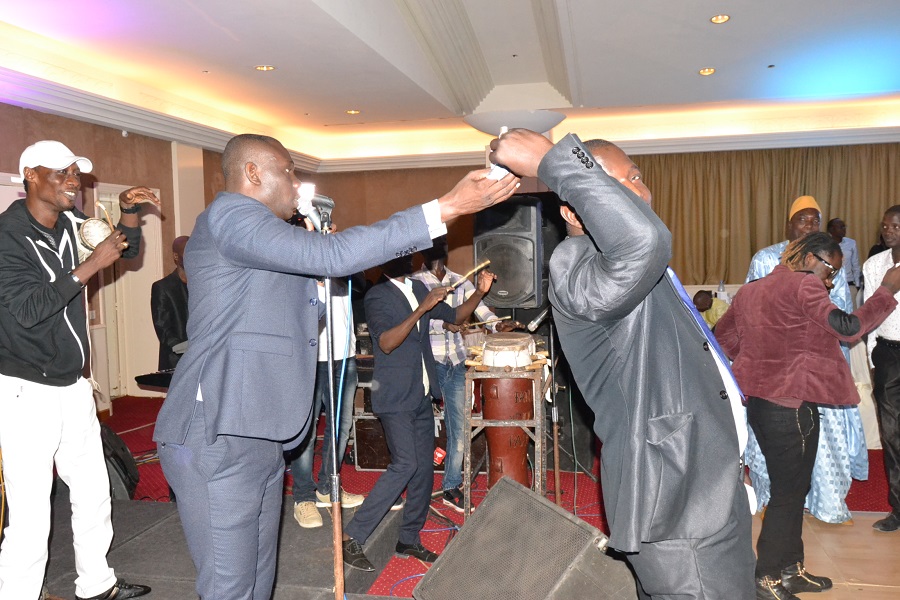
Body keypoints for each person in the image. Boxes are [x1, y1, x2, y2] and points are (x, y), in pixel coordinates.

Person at [152, 133, 519, 600]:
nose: (296, 183)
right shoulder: (231, 216)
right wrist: (443, 207)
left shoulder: (262, 238)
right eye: (287, 171)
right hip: (217, 429)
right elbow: (334, 257)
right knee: (229, 586)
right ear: (252, 174)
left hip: (257, 427)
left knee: (257, 580)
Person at [490, 130, 755, 599]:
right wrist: (554, 162)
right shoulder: (578, 267)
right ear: (575, 207)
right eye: (616, 185)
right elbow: (644, 239)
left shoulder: (628, 264)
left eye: (637, 177)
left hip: (699, 486)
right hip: (678, 503)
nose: (638, 191)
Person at [0, 140, 156, 600]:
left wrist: (127, 212)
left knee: (92, 491)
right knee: (31, 513)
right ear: (31, 175)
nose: (74, 182)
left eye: (77, 174)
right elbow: (29, 309)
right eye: (62, 174)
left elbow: (122, 249)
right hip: (26, 389)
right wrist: (89, 267)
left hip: (72, 384)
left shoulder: (71, 223)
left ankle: (97, 584)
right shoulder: (7, 235)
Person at [716, 232, 900, 598]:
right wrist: (887, 291)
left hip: (763, 405)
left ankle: (791, 568)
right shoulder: (803, 286)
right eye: (831, 271)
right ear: (811, 258)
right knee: (788, 494)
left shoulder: (752, 290)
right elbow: (848, 329)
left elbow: (723, 340)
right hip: (791, 406)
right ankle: (766, 577)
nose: (831, 282)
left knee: (794, 489)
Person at [341, 255, 497, 571]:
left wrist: (479, 292)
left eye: (407, 253)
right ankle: (351, 537)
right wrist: (422, 308)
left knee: (424, 469)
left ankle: (408, 539)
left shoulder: (416, 285)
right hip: (395, 395)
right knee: (405, 464)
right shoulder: (378, 296)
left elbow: (455, 315)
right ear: (381, 261)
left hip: (420, 394)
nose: (405, 258)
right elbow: (386, 343)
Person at [745, 196, 865, 524]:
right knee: (779, 438)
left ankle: (826, 504)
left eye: (815, 221)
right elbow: (752, 307)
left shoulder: (830, 261)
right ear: (789, 224)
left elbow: (842, 313)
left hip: (818, 364)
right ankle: (775, 501)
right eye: (803, 220)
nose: (809, 226)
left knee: (824, 438)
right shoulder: (766, 258)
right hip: (777, 368)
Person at [409, 235, 521, 511]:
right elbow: (415, 321)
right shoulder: (414, 282)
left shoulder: (460, 280)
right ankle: (414, 484)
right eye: (433, 244)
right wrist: (445, 325)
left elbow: (481, 312)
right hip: (427, 362)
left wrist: (498, 326)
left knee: (459, 428)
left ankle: (450, 486)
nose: (440, 249)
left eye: (443, 244)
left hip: (456, 362)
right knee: (417, 427)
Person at [289, 275, 364, 528]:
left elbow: (362, 281)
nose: (328, 230)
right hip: (310, 356)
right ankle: (303, 497)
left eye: (331, 229)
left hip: (344, 356)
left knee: (341, 428)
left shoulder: (340, 253)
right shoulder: (301, 257)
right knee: (306, 432)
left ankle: (327, 486)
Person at [863, 205, 900, 532]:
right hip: (889, 354)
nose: (888, 231)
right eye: (885, 226)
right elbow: (871, 315)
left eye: (895, 227)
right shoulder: (874, 265)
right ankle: (898, 510)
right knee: (891, 435)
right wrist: (874, 357)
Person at [150, 235, 190, 370]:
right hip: (176, 359)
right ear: (176, 256)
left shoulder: (203, 284)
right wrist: (182, 347)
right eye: (187, 251)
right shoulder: (163, 287)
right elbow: (162, 326)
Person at [828, 218, 861, 298]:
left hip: (849, 285)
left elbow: (856, 266)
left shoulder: (851, 243)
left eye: (844, 227)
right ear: (831, 229)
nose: (844, 229)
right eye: (841, 227)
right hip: (831, 286)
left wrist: (858, 286)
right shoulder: (825, 244)